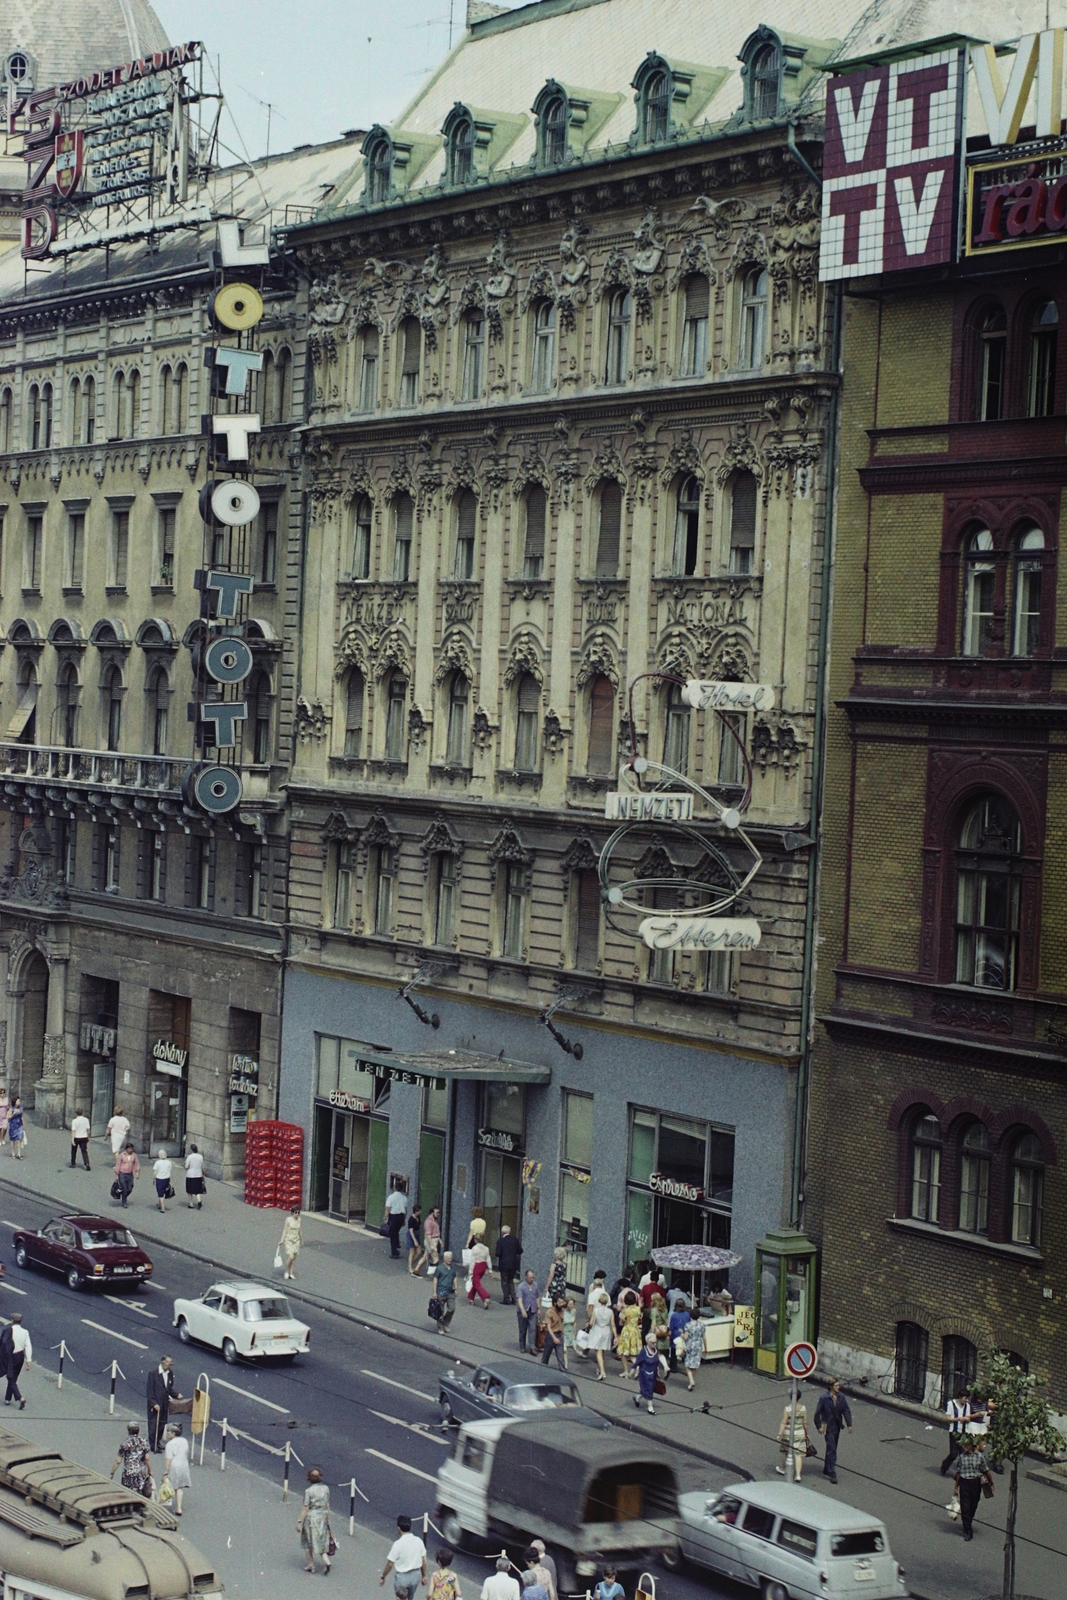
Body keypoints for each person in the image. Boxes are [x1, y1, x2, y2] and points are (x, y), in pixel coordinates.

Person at [814, 1378, 853, 1485]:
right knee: (831, 1448)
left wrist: (849, 1424)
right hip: (828, 1425)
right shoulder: (824, 1398)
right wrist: (819, 1426)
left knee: (833, 1447)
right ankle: (832, 1472)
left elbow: (846, 1410)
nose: (838, 1387)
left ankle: (827, 1467)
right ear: (831, 1387)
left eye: (838, 1385)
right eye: (836, 1385)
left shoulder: (841, 1397)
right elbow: (817, 1413)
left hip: (837, 1425)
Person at [954, 1433, 993, 1541]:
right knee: (965, 1507)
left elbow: (986, 1470)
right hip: (964, 1483)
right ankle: (968, 1531)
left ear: (971, 1445)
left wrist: (991, 1483)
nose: (964, 1448)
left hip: (975, 1483)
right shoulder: (962, 1457)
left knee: (973, 1505)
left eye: (966, 1445)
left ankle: (968, 1522)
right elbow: (958, 1473)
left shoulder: (979, 1457)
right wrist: (956, 1488)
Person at [297, 1466, 333, 1575]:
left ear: (309, 1478)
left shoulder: (308, 1491)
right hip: (322, 1517)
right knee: (321, 1541)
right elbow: (327, 1505)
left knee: (307, 1542)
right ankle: (327, 1561)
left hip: (311, 1519)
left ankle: (311, 1565)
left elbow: (306, 1507)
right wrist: (328, 1519)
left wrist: (299, 1521)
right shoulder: (326, 1489)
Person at [381, 1513, 427, 1598]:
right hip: (415, 1576)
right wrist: (424, 1576)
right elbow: (423, 1560)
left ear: (399, 1528)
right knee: (411, 1597)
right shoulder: (418, 1541)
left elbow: (390, 1564)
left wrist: (383, 1576)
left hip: (402, 1577)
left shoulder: (397, 1544)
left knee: (400, 1597)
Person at [147, 1355, 182, 1451]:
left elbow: (168, 1389)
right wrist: (154, 1403)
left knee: (162, 1425)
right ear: (163, 1362)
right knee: (153, 1426)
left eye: (171, 1364)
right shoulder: (153, 1374)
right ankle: (153, 1445)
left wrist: (176, 1395)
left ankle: (157, 1442)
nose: (170, 1366)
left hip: (164, 1404)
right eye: (168, 1364)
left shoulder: (170, 1373)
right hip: (155, 1405)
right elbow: (150, 1391)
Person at [111, 1421, 152, 1497]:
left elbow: (118, 1461)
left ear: (128, 1431)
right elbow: (147, 1458)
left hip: (128, 1473)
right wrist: (150, 1470)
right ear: (138, 1430)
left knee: (127, 1493)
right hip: (141, 1472)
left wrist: (112, 1473)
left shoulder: (125, 1443)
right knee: (140, 1493)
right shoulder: (144, 1442)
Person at [776, 1396, 811, 1483]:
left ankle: (783, 1468)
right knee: (798, 1454)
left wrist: (779, 1434)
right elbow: (805, 1422)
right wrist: (806, 1433)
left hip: (788, 1433)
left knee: (785, 1451)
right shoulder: (803, 1408)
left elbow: (784, 1422)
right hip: (800, 1433)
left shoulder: (788, 1409)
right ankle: (798, 1475)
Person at [0, 1313, 31, 1408]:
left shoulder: (8, 1330)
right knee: (13, 1377)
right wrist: (28, 1360)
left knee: (10, 1378)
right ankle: (7, 1399)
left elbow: (2, 1343)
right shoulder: (25, 1332)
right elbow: (28, 1346)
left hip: (10, 1356)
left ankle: (20, 1398)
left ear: (12, 1321)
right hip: (20, 1356)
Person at [162, 1422, 191, 1515]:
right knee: (180, 1487)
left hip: (174, 1466)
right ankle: (179, 1508)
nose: (167, 1433)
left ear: (173, 1433)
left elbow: (168, 1460)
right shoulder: (184, 1441)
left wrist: (165, 1472)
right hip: (184, 1465)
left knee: (170, 1486)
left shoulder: (170, 1444)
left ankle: (166, 1506)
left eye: (169, 1431)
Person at [941, 1386, 970, 1475]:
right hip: (954, 1431)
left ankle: (961, 1473)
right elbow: (947, 1418)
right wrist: (957, 1419)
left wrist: (966, 1419)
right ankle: (945, 1466)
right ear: (960, 1397)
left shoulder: (967, 1406)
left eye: (967, 1399)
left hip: (963, 1432)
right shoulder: (951, 1404)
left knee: (963, 1453)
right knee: (954, 1454)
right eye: (965, 1398)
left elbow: (968, 1418)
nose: (966, 1400)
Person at [586, 1292, 615, 1381]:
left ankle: (602, 1371)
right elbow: (613, 1325)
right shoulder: (610, 1312)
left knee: (598, 1351)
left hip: (598, 1330)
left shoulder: (596, 1310)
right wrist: (616, 1337)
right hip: (606, 1330)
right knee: (602, 1350)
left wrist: (588, 1325)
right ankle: (599, 1368)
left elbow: (591, 1322)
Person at [632, 1333, 661, 1415]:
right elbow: (637, 1361)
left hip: (653, 1374)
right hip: (645, 1374)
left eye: (656, 1342)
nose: (655, 1344)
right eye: (653, 1342)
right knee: (649, 1389)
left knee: (647, 1389)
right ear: (647, 1341)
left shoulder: (655, 1350)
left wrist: (658, 1371)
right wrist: (632, 1371)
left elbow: (656, 1362)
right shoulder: (644, 1351)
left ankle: (637, 1398)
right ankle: (650, 1407)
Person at [430, 1250, 457, 1333]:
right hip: (441, 1292)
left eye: (451, 1258)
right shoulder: (439, 1268)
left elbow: (454, 1277)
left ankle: (445, 1322)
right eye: (448, 1258)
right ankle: (440, 1327)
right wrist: (434, 1292)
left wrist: (456, 1288)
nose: (450, 1259)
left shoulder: (452, 1267)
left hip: (450, 1292)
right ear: (444, 1258)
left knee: (452, 1308)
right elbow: (435, 1280)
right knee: (440, 1311)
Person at [495, 1224, 523, 1304]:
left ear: (502, 1232)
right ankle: (514, 1298)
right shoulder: (515, 1240)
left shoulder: (500, 1241)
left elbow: (498, 1253)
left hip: (504, 1264)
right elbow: (520, 1251)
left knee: (504, 1281)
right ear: (509, 1232)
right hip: (513, 1264)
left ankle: (506, 1298)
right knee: (511, 1280)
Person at [616, 1290, 642, 1375]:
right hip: (635, 1331)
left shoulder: (626, 1311)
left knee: (624, 1352)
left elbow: (620, 1322)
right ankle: (637, 1366)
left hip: (627, 1331)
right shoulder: (638, 1309)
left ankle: (626, 1371)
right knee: (632, 1353)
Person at [681, 1311, 706, 1393]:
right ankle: (692, 1380)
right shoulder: (701, 1325)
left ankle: (691, 1380)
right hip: (698, 1345)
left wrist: (681, 1333)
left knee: (687, 1364)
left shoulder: (688, 1325)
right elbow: (704, 1337)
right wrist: (706, 1347)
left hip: (690, 1345)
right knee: (694, 1364)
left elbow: (685, 1337)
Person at [516, 1269, 539, 1353]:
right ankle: (522, 1346)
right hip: (523, 1311)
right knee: (522, 1329)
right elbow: (519, 1299)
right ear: (526, 1277)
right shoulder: (521, 1286)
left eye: (533, 1277)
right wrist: (522, 1310)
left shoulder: (535, 1285)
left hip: (532, 1310)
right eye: (530, 1278)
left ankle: (532, 1347)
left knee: (532, 1329)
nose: (532, 1279)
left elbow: (537, 1297)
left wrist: (538, 1308)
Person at [384, 1181, 408, 1260]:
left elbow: (388, 1209)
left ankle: (394, 1252)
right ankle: (397, 1245)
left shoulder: (391, 1197)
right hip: (401, 1217)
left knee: (392, 1234)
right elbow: (405, 1209)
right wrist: (404, 1219)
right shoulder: (404, 1198)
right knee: (396, 1232)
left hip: (393, 1216)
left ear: (394, 1187)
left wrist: (385, 1217)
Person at [541, 1297, 566, 1371]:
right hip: (551, 1336)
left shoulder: (562, 1311)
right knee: (546, 1356)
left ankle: (563, 1370)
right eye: (560, 1303)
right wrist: (554, 1338)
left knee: (560, 1356)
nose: (562, 1304)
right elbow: (548, 1327)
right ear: (555, 1303)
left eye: (562, 1302)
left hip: (559, 1334)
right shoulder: (549, 1312)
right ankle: (542, 1370)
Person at [467, 1235, 492, 1309]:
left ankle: (485, 1297)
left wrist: (470, 1271)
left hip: (477, 1266)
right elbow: (488, 1258)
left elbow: (472, 1261)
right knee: (475, 1282)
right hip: (483, 1266)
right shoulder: (486, 1248)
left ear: (475, 1240)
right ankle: (471, 1298)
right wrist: (490, 1268)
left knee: (477, 1284)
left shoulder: (474, 1248)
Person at [414, 1206, 441, 1274]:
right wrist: (432, 1245)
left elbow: (435, 1232)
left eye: (439, 1213)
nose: (438, 1214)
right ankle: (435, 1274)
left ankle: (416, 1270)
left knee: (426, 1256)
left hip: (433, 1240)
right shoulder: (428, 1222)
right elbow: (428, 1235)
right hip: (431, 1241)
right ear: (432, 1213)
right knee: (436, 1257)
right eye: (437, 1213)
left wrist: (439, 1240)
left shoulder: (433, 1221)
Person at [668, 1295, 691, 1374]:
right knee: (684, 1351)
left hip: (675, 1334)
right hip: (685, 1334)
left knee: (674, 1351)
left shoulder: (674, 1315)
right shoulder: (687, 1314)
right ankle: (687, 1367)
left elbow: (671, 1327)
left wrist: (669, 1335)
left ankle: (673, 1367)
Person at [278, 1207, 302, 1280]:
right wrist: (282, 1240)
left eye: (298, 1213)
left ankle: (291, 1273)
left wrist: (302, 1239)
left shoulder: (299, 1220)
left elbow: (300, 1230)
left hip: (296, 1240)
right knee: (290, 1256)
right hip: (289, 1240)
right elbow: (285, 1230)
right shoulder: (288, 1220)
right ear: (292, 1213)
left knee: (294, 1258)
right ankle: (286, 1271)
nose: (297, 1214)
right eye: (296, 1212)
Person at [114, 1142, 139, 1206]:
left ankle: (123, 1195)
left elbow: (137, 1164)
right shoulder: (122, 1155)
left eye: (132, 1149)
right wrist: (116, 1174)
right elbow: (118, 1164)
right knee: (124, 1187)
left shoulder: (134, 1155)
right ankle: (124, 1202)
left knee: (130, 1188)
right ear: (126, 1149)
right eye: (130, 1149)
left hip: (130, 1174)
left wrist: (137, 1172)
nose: (131, 1150)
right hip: (122, 1174)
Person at [184, 1144, 206, 1209]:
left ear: (191, 1149)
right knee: (197, 1189)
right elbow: (202, 1166)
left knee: (189, 1190)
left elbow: (186, 1166)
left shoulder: (189, 1157)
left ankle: (191, 1204)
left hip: (190, 1175)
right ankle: (199, 1200)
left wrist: (185, 1166)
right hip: (198, 1174)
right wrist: (203, 1174)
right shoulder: (200, 1157)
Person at [153, 1149, 172, 1213]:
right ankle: (159, 1204)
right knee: (163, 1191)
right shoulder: (169, 1162)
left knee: (160, 1193)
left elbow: (155, 1172)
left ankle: (163, 1208)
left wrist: (153, 1179)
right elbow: (169, 1172)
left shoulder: (157, 1162)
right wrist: (170, 1181)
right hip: (166, 1179)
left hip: (159, 1179)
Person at [406, 1205, 423, 1276]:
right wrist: (415, 1240)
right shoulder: (411, 1219)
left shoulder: (418, 1217)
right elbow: (411, 1231)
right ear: (415, 1211)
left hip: (417, 1234)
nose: (420, 1212)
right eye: (419, 1211)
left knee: (419, 1252)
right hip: (411, 1235)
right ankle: (410, 1267)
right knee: (412, 1251)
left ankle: (411, 1263)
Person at [561, 1297, 577, 1366]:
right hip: (564, 1332)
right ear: (566, 1304)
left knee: (573, 1347)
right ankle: (566, 1364)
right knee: (564, 1349)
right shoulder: (562, 1311)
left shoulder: (574, 1311)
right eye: (570, 1304)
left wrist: (574, 1332)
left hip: (571, 1332)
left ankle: (563, 1361)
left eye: (572, 1304)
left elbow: (575, 1322)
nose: (571, 1306)